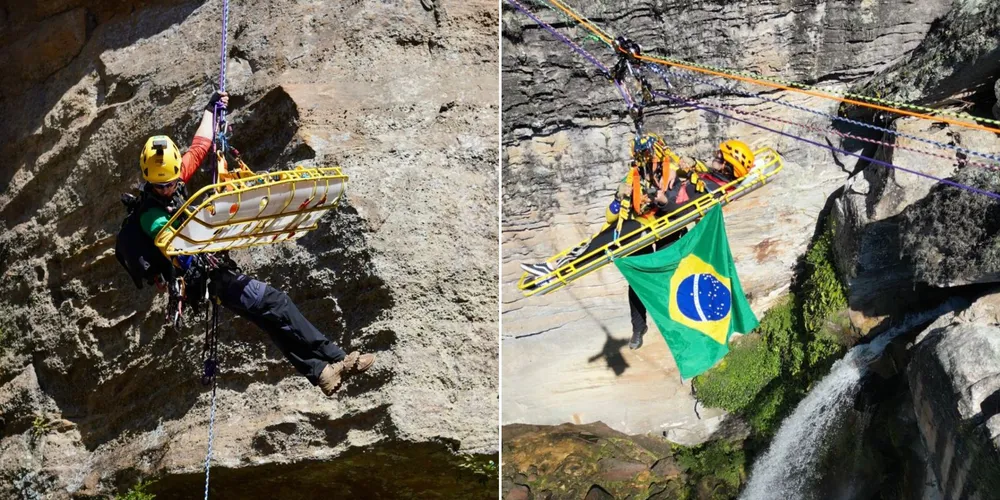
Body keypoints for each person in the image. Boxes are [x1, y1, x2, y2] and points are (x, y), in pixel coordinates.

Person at [132, 91, 374, 396]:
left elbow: (201, 145)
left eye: (171, 182)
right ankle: (339, 358)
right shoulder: (149, 214)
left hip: (213, 268)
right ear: (149, 181)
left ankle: (321, 372)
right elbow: (173, 245)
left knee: (270, 318)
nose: (168, 189)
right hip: (206, 277)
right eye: (161, 185)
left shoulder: (175, 174)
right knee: (276, 302)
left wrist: (211, 108)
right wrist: (206, 241)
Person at [520, 137, 756, 349]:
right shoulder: (706, 177)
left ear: (727, 166)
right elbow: (614, 212)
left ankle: (556, 270)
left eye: (719, 157)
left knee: (625, 259)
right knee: (630, 267)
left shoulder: (712, 187)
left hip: (659, 223)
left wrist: (663, 200)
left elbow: (688, 206)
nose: (714, 157)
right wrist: (625, 196)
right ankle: (638, 327)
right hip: (652, 218)